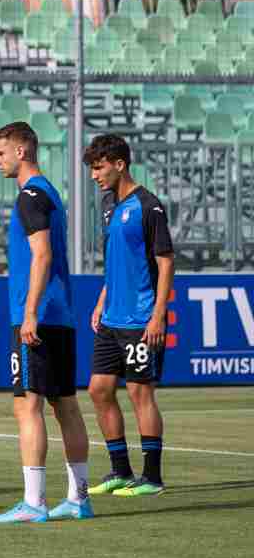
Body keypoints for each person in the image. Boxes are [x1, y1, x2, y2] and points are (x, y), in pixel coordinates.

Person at [0, 123, 92, 524]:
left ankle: (34, 503)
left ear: (22, 150)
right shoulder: (49, 192)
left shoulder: (30, 196)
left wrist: (29, 311)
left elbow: (42, 255)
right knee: (65, 404)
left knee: (27, 406)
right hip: (60, 314)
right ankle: (79, 498)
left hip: (38, 316)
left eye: (1, 153)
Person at [84, 134, 175, 497]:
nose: (94, 175)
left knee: (140, 394)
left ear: (119, 164)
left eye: (99, 167)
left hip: (140, 318)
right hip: (111, 317)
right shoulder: (109, 204)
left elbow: (165, 262)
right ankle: (120, 470)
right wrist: (101, 300)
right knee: (98, 389)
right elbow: (116, 261)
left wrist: (158, 315)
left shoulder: (148, 206)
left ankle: (151, 478)